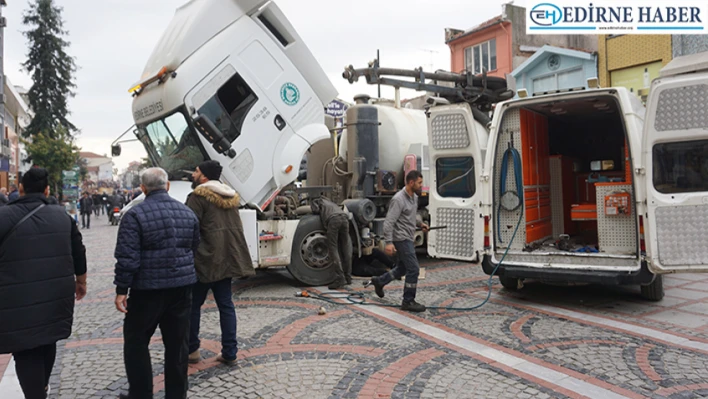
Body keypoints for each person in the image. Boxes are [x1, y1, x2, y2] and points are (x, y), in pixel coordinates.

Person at [0, 167, 87, 399]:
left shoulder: (3, 216)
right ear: (47, 189)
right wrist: (81, 281)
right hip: (55, 295)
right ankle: (42, 389)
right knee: (47, 340)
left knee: (26, 349)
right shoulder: (62, 216)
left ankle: (36, 393)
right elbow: (79, 251)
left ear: (20, 188)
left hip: (16, 299)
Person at [114, 168, 200, 399]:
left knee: (136, 343)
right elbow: (194, 247)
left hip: (146, 291)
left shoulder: (134, 215)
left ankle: (141, 394)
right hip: (181, 290)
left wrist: (122, 289)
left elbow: (127, 257)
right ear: (168, 186)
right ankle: (176, 394)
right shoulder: (187, 213)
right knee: (177, 347)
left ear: (143, 189)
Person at [186, 161, 254, 365]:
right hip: (227, 259)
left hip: (204, 261)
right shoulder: (231, 196)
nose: (193, 174)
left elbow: (189, 228)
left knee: (193, 306)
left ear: (204, 176)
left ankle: (192, 351)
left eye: (196, 171)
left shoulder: (198, 197)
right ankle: (230, 353)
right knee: (226, 306)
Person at [368, 170, 429, 312]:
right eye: (419, 183)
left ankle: (379, 281)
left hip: (408, 237)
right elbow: (389, 222)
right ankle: (408, 301)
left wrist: (420, 224)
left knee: (403, 268)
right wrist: (389, 242)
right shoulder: (398, 199)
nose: (421, 186)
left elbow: (411, 217)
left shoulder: (413, 197)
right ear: (411, 182)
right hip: (401, 239)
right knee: (413, 269)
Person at [310, 196, 352, 289]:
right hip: (344, 218)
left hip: (333, 220)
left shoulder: (317, 201)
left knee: (333, 248)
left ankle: (340, 278)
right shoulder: (331, 203)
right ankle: (348, 277)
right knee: (346, 247)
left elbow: (315, 211)